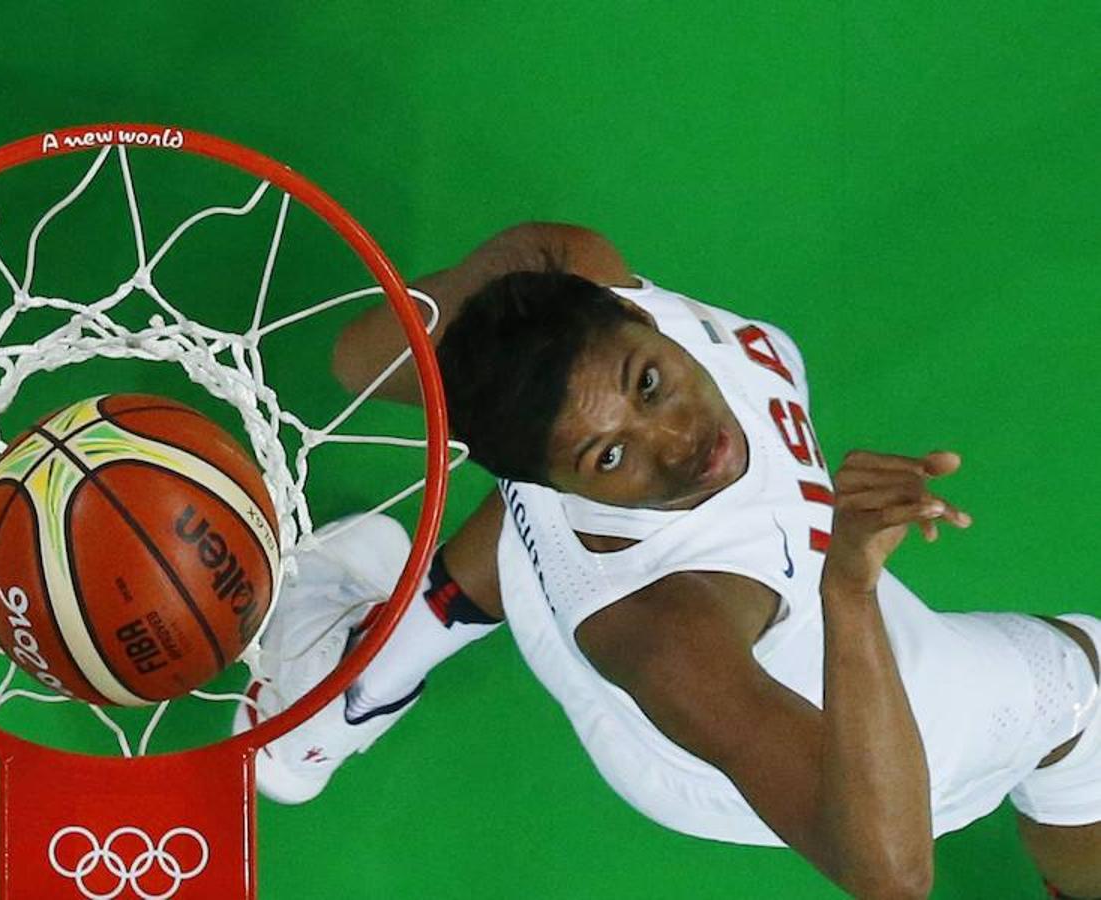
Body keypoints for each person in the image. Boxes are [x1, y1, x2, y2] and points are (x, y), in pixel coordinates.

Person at [233, 224, 1100, 899]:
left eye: (650, 383)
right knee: (1086, 693)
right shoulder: (668, 633)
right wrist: (850, 589)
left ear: (636, 312)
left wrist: (504, 296)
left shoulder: (569, 265)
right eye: (612, 454)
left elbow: (361, 360)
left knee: (548, 411)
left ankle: (351, 688)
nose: (687, 445)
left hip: (586, 591)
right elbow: (887, 872)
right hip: (782, 749)